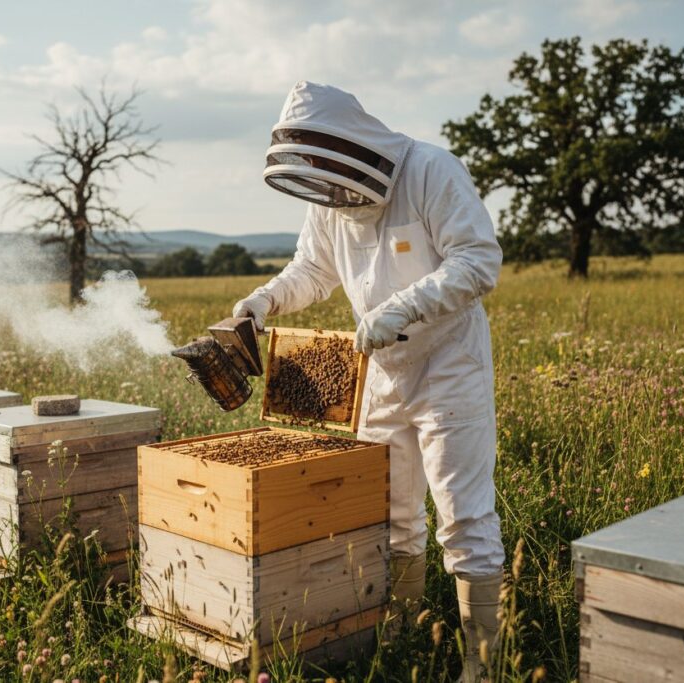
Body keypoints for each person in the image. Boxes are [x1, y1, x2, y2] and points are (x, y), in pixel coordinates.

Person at [232, 81, 504, 681]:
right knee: (393, 515)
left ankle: (481, 664)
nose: (327, 189)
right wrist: (264, 300)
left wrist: (404, 307)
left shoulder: (432, 170)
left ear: (350, 146)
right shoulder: (330, 200)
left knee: (463, 517)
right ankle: (408, 634)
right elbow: (312, 269)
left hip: (449, 367)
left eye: (329, 170)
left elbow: (479, 260)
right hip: (379, 374)